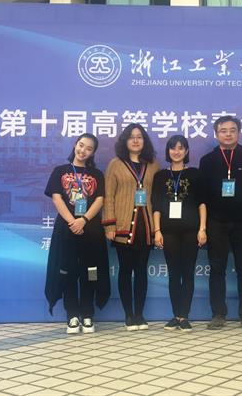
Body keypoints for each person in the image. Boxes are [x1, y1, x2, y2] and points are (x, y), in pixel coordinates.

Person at [44, 133, 110, 334]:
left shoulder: (97, 174)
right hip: (66, 229)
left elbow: (100, 200)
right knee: (68, 271)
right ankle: (72, 314)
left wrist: (84, 220)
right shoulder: (60, 171)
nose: (83, 150)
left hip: (91, 229)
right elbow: (57, 198)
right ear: (75, 145)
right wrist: (72, 221)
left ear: (93, 152)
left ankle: (88, 314)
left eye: (89, 148)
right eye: (81, 145)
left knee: (90, 272)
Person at [199, 115, 242, 330]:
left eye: (232, 130)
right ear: (216, 134)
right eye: (223, 130)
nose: (228, 134)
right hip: (216, 222)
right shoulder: (207, 160)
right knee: (217, 269)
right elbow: (203, 195)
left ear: (239, 133)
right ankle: (218, 314)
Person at [102, 123, 160, 331]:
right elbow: (108, 196)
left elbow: (157, 197)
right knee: (125, 270)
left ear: (145, 141)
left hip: (146, 226)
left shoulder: (153, 165)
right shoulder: (115, 164)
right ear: (125, 141)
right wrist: (110, 225)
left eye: (139, 137)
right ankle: (128, 315)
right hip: (123, 226)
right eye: (131, 137)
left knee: (141, 271)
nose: (136, 140)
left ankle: (140, 314)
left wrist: (157, 229)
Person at [152, 135, 207, 332]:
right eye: (173, 148)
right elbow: (156, 206)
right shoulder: (160, 176)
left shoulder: (195, 174)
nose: (177, 152)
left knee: (188, 273)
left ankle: (185, 316)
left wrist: (202, 229)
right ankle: (176, 315)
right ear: (168, 151)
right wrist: (157, 231)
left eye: (181, 148)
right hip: (168, 232)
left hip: (191, 231)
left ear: (186, 151)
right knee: (174, 274)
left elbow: (201, 203)